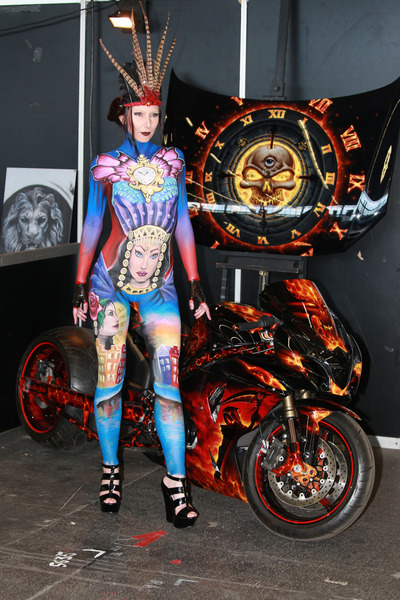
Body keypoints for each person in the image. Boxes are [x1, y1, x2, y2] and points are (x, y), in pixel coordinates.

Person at [72, 8, 210, 527]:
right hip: (109, 289)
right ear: (124, 116)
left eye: (154, 114)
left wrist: (195, 282)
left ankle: (175, 485)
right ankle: (110, 470)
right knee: (109, 386)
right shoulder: (106, 167)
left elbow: (183, 226)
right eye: (140, 114)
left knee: (168, 388)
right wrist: (79, 283)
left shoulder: (174, 164)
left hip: (161, 289)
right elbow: (92, 225)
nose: (148, 122)